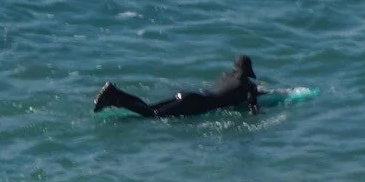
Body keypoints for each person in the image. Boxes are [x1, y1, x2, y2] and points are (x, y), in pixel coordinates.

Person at [93, 55, 260, 119]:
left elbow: (225, 93)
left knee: (150, 108)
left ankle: (115, 96)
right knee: (153, 115)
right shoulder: (247, 86)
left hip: (189, 96)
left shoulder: (225, 76)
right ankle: (114, 97)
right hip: (194, 104)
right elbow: (253, 108)